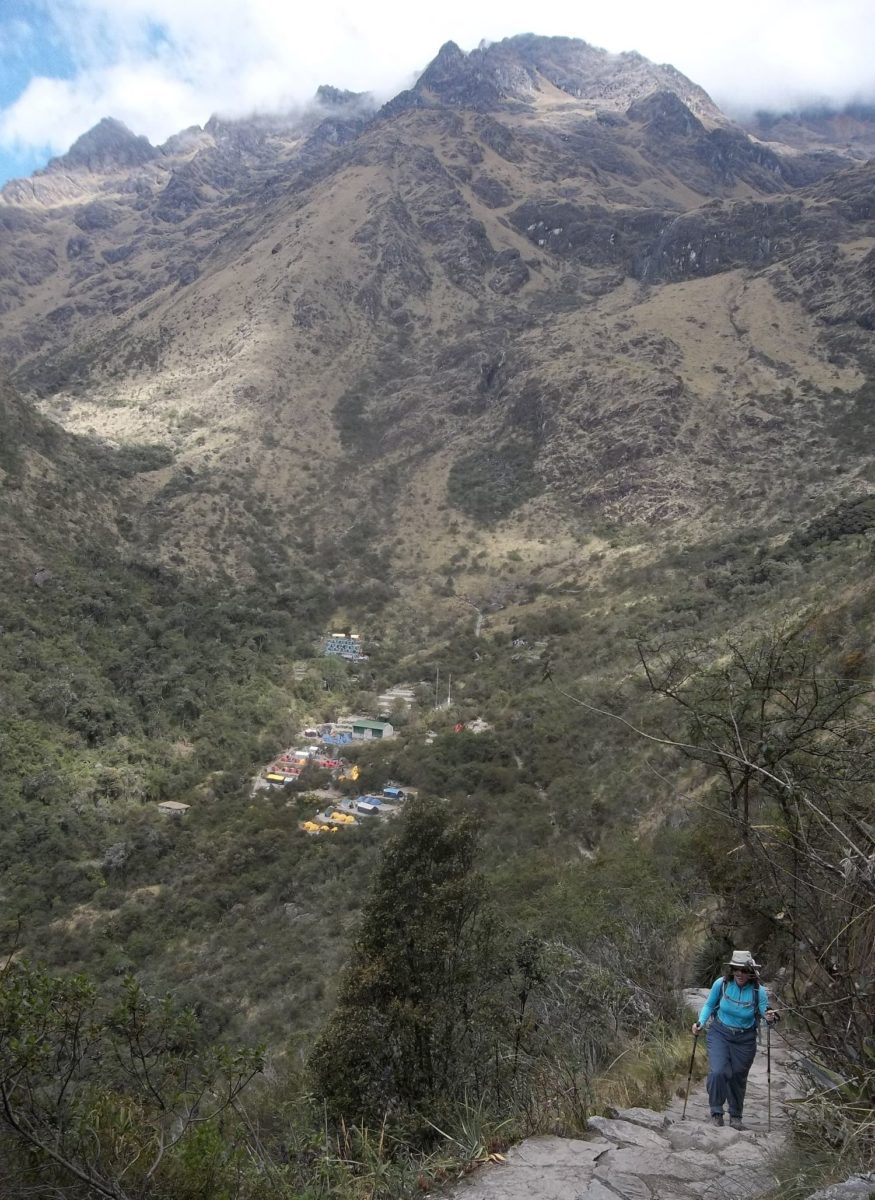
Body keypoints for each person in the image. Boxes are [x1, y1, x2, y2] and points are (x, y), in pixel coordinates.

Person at [692, 950, 779, 1130]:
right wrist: (700, 1022)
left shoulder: (758, 992)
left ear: (751, 972)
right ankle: (716, 1112)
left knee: (738, 1076)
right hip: (720, 1032)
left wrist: (770, 1017)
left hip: (745, 1038)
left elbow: (764, 1012)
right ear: (731, 970)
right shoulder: (721, 984)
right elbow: (709, 1004)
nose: (740, 974)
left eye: (745, 970)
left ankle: (736, 1115)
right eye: (736, 969)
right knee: (718, 1072)